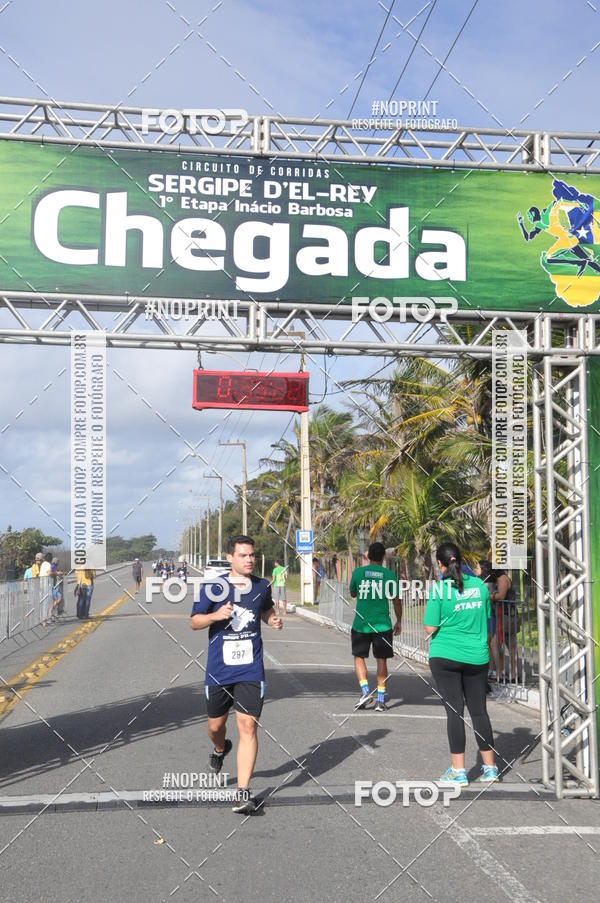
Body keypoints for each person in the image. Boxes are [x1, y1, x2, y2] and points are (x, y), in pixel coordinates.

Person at [190, 534, 282, 815]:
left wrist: (272, 619)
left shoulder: (262, 586)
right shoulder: (213, 587)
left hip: (250, 668)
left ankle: (242, 792)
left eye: (252, 555)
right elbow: (194, 622)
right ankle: (220, 750)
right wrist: (215, 616)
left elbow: (265, 609)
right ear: (230, 557)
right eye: (243, 555)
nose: (249, 559)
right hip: (219, 670)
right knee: (215, 727)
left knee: (248, 726)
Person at [424, 541, 498, 784]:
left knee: (455, 711)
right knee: (479, 711)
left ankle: (459, 772)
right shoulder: (480, 587)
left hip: (445, 656)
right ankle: (490, 769)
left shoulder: (439, 590)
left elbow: (430, 627)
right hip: (477, 657)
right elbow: (486, 620)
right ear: (460, 559)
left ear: (440, 564)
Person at [349, 542, 402, 712]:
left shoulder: (358, 573)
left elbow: (353, 593)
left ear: (368, 556)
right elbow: (396, 600)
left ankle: (365, 691)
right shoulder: (389, 575)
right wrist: (399, 620)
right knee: (382, 660)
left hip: (361, 624)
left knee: (359, 657)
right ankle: (380, 699)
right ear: (383, 557)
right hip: (382, 625)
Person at [490, 568, 518, 682]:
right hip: (500, 615)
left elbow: (501, 596)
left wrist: (488, 596)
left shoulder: (502, 578)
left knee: (509, 645)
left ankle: (512, 673)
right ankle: (500, 672)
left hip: (507, 616)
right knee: (497, 644)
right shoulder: (498, 579)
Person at [475, 560, 499, 680]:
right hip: (489, 616)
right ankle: (492, 669)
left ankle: (495, 670)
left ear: (483, 570)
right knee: (490, 645)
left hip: (488, 616)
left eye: (477, 568)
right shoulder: (485, 583)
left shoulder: (486, 585)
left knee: (490, 644)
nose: (475, 570)